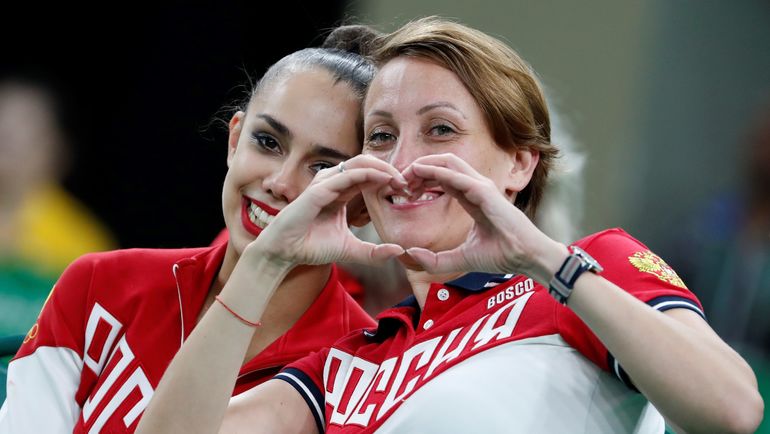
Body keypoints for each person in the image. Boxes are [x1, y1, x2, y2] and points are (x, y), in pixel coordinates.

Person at [137, 16, 764, 434]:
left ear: (519, 163)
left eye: (440, 130)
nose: (404, 163)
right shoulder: (350, 361)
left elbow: (732, 411)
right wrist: (268, 261)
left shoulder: (588, 270)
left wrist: (546, 261)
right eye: (381, 136)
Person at [0, 26, 384, 433]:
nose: (280, 182)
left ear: (362, 205)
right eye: (268, 142)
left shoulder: (366, 376)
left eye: (323, 168)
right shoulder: (100, 286)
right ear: (234, 140)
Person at [0, 78, 117, 338]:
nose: (8, 139)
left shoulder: (82, 244)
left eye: (24, 128)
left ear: (58, 149)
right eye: (3, 122)